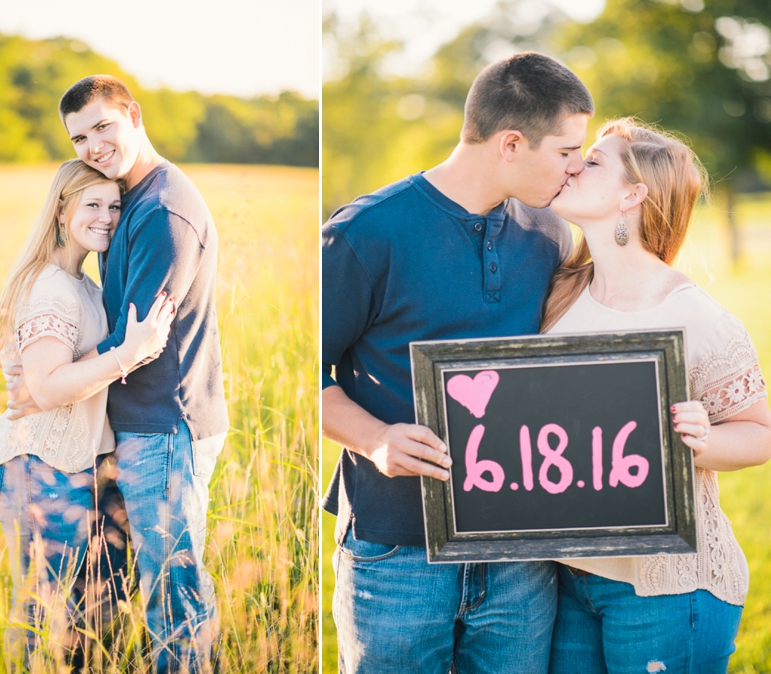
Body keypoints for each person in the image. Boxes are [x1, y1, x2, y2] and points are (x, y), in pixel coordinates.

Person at [322, 52, 593, 673]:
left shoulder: (549, 234)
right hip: (396, 551)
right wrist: (376, 439)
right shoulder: (366, 232)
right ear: (512, 143)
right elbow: (311, 372)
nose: (578, 166)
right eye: (566, 151)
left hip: (519, 552)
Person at [7, 75, 228, 674]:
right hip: (131, 425)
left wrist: (47, 379)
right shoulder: (126, 198)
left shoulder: (164, 209)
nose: (92, 144)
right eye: (78, 137)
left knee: (173, 599)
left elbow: (137, 341)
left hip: (164, 426)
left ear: (132, 115)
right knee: (122, 594)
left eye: (102, 126)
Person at [542, 118, 771, 672]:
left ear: (633, 194)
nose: (573, 163)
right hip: (569, 578)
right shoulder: (561, 292)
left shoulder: (694, 315)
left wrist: (703, 439)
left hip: (670, 587)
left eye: (593, 160)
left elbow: (760, 435)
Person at [0, 158, 175, 670]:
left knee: (86, 616)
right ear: (61, 210)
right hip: (39, 465)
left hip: (77, 466)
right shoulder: (51, 287)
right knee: (43, 613)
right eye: (92, 205)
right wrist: (129, 354)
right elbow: (46, 389)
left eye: (114, 206)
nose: (107, 217)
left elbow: (55, 377)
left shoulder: (83, 286)